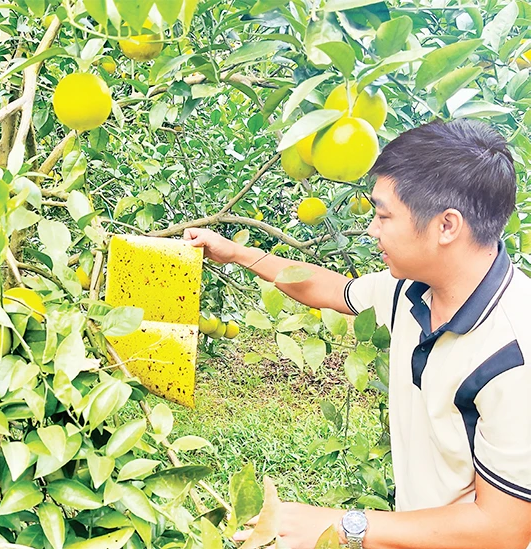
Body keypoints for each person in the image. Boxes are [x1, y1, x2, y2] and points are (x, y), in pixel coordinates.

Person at [183, 120, 531, 549]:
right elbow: (327, 287)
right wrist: (237, 254)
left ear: (446, 226)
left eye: (384, 216)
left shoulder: (514, 353)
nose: (371, 230)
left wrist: (349, 526)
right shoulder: (411, 288)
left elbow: (504, 530)